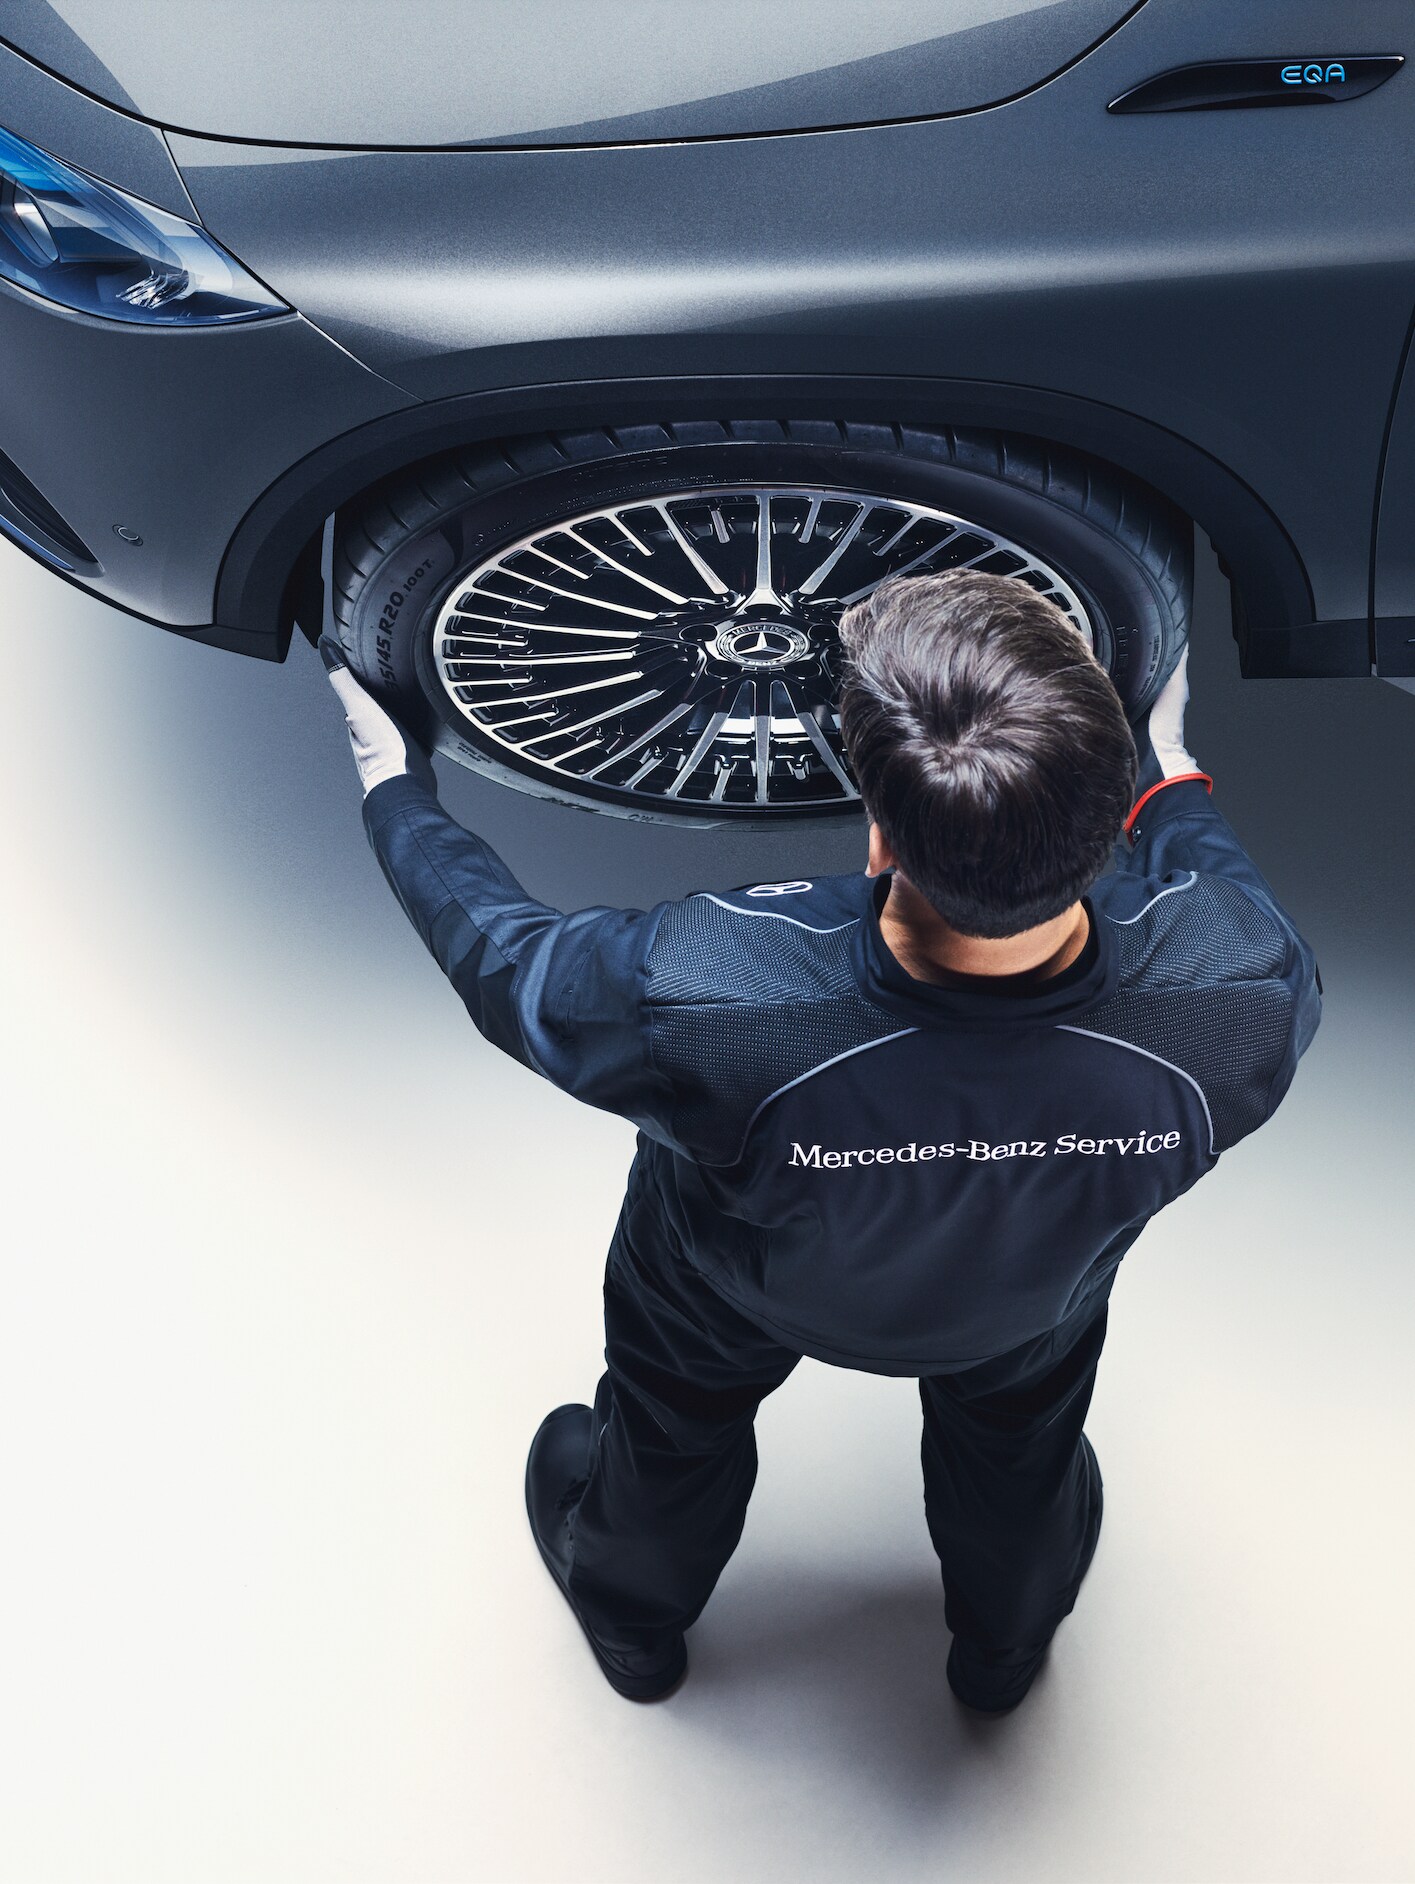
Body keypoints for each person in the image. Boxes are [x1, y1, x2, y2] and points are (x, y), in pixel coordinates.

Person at [320, 569, 1320, 1715]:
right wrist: (1170, 768)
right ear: (1103, 830)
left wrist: (393, 788)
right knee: (1021, 1455)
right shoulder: (1239, 992)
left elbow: (500, 959)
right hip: (1022, 1305)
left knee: (669, 1425)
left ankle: (632, 1626)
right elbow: (1211, 878)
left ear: (880, 831)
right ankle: (1002, 1655)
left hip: (728, 1290)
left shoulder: (706, 993)